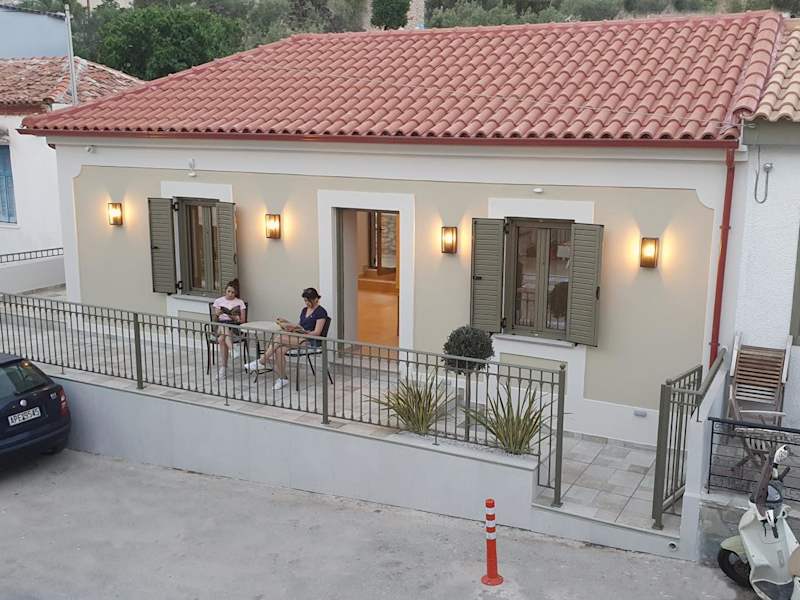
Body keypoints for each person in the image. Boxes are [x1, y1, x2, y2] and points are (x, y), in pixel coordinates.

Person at [245, 287, 328, 390]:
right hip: (298, 337)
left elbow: (317, 333)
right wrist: (289, 324)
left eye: (308, 301)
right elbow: (300, 326)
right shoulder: (304, 310)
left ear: (316, 299)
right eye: (305, 301)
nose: (306, 303)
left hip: (310, 341)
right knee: (279, 350)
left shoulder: (321, 312)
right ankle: (282, 378)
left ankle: (261, 362)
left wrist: (304, 332)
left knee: (279, 338)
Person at [213, 279, 246, 378]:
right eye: (229, 291)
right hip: (219, 325)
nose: (230, 294)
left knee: (221, 339)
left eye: (233, 292)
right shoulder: (218, 301)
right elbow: (214, 320)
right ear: (225, 291)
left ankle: (223, 369)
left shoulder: (240, 302)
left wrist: (234, 317)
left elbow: (243, 320)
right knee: (223, 326)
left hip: (233, 326)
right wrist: (217, 314)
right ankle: (232, 350)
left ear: (236, 293)